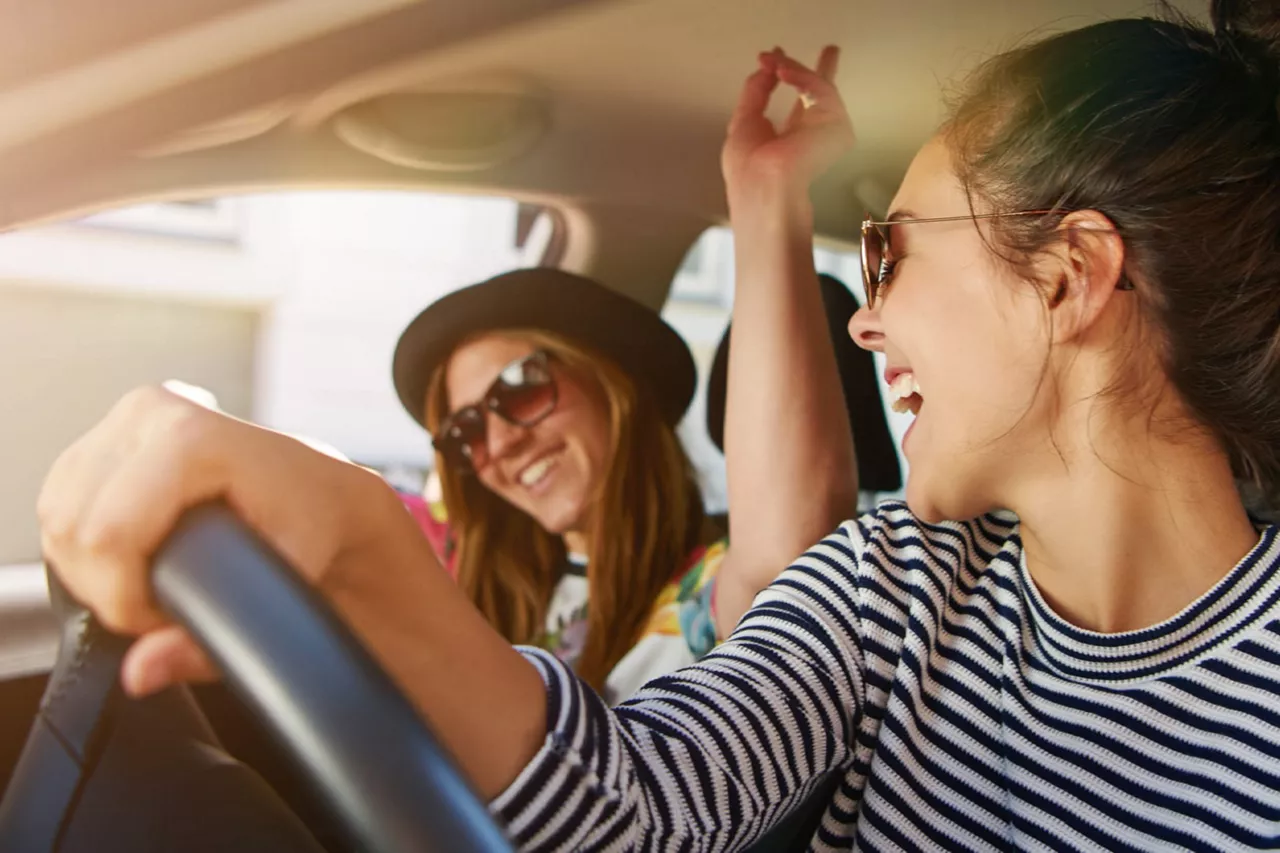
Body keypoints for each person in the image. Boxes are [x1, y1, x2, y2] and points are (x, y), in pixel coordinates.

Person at [41, 1, 1280, 847]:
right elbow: (638, 809)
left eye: (888, 254)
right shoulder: (886, 584)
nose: (864, 322)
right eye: (457, 431)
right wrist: (364, 549)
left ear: (1068, 276)